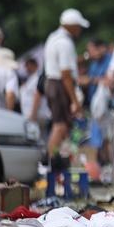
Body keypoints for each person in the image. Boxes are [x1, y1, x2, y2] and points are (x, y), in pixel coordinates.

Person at [37, 9, 88, 161]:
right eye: (78, 26)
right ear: (71, 26)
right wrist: (75, 101)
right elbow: (66, 74)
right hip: (59, 85)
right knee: (60, 126)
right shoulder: (65, 43)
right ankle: (50, 162)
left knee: (61, 125)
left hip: (51, 82)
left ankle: (55, 161)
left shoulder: (53, 38)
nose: (80, 30)